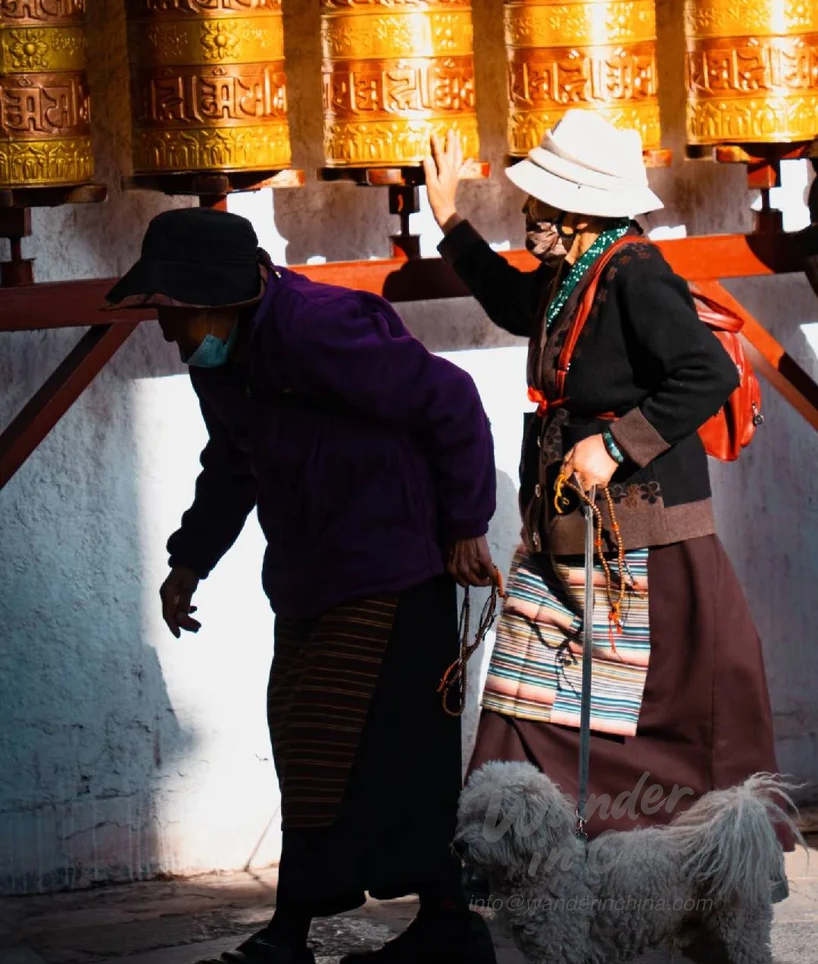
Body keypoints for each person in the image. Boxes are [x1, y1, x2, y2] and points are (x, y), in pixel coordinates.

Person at [423, 110, 791, 937]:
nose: (529, 216)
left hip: (644, 547)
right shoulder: (571, 273)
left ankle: (696, 890)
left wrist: (617, 446)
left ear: (580, 212)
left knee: (663, 720)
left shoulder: (635, 274)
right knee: (528, 701)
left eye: (539, 205)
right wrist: (452, 223)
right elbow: (520, 308)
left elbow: (699, 373)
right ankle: (504, 890)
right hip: (566, 536)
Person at [105, 207, 499, 964]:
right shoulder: (221, 364)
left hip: (393, 570)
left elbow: (449, 401)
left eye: (179, 315)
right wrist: (190, 559)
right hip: (312, 576)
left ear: (231, 297)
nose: (169, 333)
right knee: (315, 747)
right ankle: (417, 926)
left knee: (389, 755)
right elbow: (231, 463)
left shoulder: (321, 328)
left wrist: (465, 523)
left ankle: (381, 929)